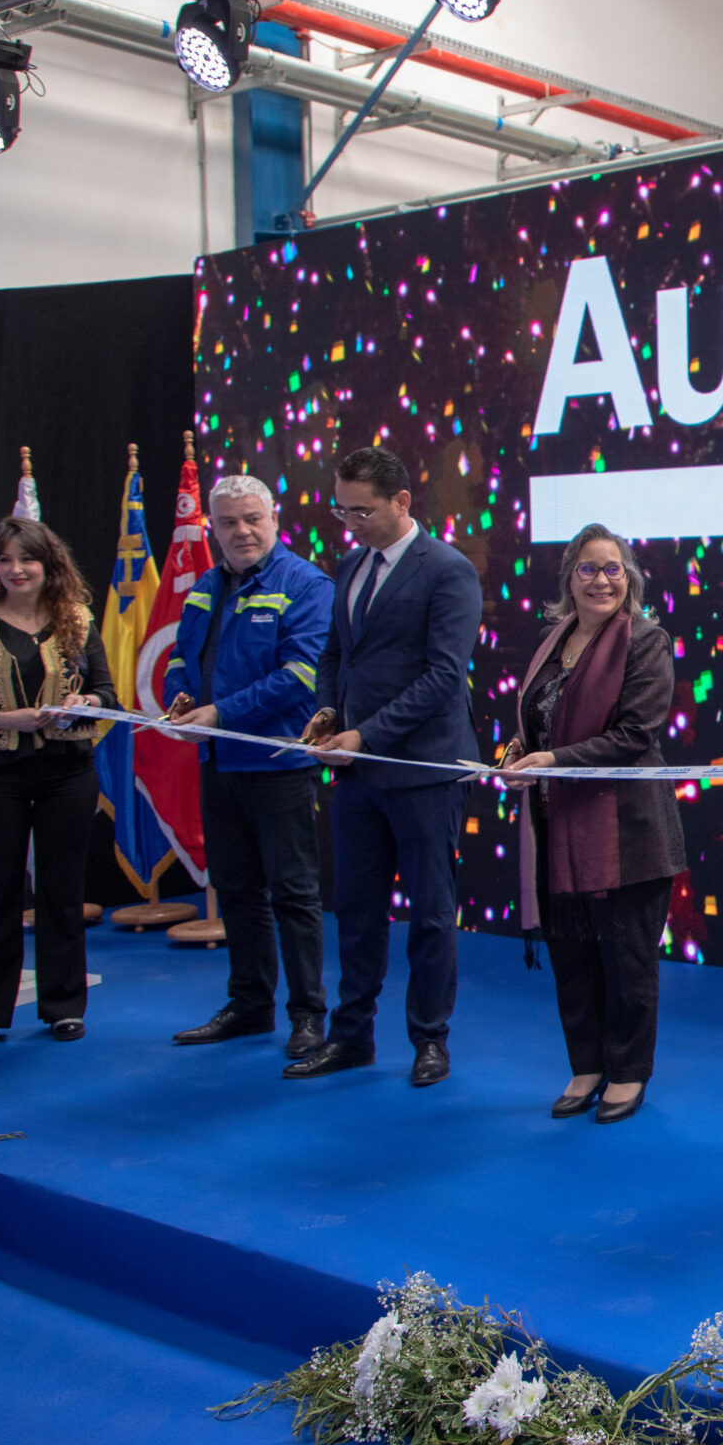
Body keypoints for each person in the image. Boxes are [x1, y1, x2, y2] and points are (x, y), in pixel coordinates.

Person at [288, 445, 482, 1088]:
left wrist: (364, 734)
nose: (352, 525)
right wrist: (325, 713)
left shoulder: (449, 570)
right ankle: (352, 1037)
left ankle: (431, 1039)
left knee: (430, 914)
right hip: (356, 774)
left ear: (402, 502)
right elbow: (334, 654)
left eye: (362, 512)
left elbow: (443, 678)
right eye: (342, 512)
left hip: (424, 770)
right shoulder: (349, 563)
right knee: (357, 909)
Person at [498, 526, 684, 1126]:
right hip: (555, 827)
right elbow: (538, 725)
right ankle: (586, 1065)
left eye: (613, 569)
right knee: (571, 952)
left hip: (627, 833)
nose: (601, 580)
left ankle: (627, 1073)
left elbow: (634, 736)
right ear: (568, 579)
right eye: (588, 569)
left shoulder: (646, 640)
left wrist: (550, 760)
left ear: (628, 578)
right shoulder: (554, 641)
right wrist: (518, 750)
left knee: (626, 959)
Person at [160, 475, 336, 1059]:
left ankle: (309, 1013)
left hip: (280, 763)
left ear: (274, 518)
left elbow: (301, 677)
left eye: (252, 519)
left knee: (293, 893)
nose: (242, 531)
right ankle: (250, 1004)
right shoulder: (205, 587)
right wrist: (180, 696)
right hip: (219, 762)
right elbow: (180, 659)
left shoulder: (306, 584)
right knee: (235, 889)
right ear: (213, 526)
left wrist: (219, 712)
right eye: (230, 522)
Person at [0, 519, 113, 1051]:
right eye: (6, 561)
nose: (16, 570)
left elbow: (108, 691)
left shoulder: (78, 621)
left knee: (63, 890)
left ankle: (64, 1006)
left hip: (67, 772)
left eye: (27, 560)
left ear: (48, 565)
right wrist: (6, 720)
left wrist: (89, 703)